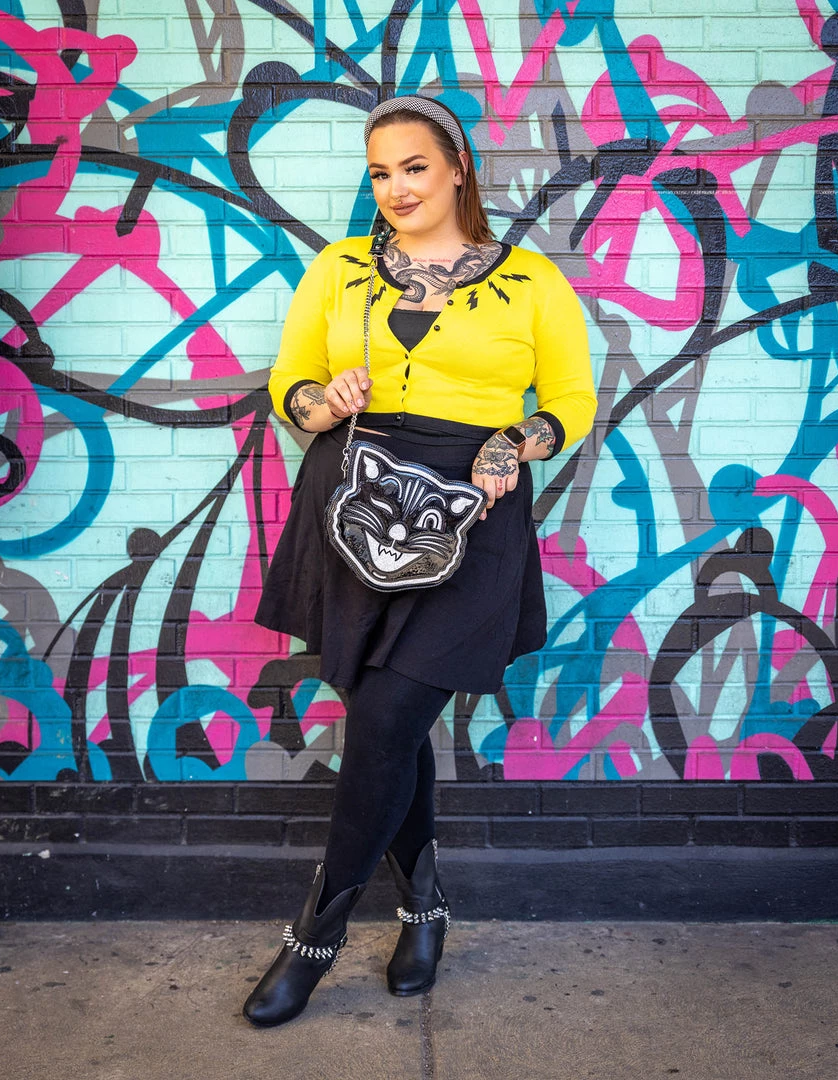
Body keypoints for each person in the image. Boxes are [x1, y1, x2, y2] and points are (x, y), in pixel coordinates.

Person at [243, 94, 597, 1027]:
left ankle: (314, 939)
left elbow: (571, 397)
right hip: (355, 507)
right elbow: (289, 382)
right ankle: (424, 908)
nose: (396, 188)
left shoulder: (531, 281)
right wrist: (320, 402)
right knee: (386, 727)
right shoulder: (339, 269)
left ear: (457, 167)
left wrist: (518, 441)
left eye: (414, 167)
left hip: (468, 515)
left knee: (388, 717)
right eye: (380, 173)